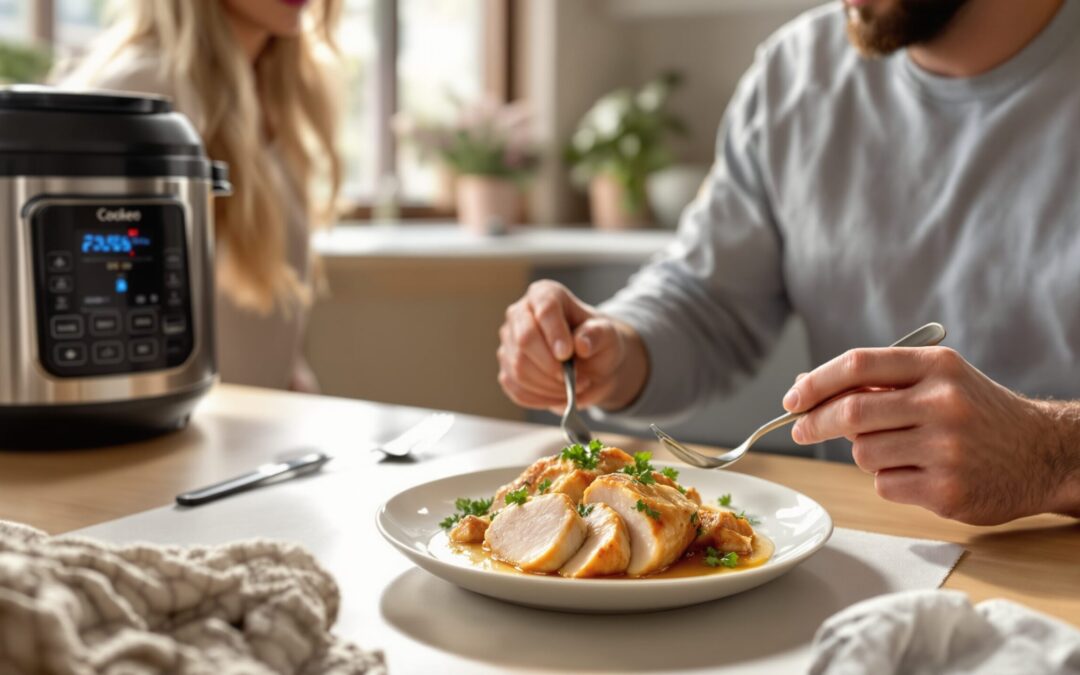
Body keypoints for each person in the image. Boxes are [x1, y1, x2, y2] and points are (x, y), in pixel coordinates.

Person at [497, 0, 1080, 526]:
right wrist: (613, 349)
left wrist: (1049, 455)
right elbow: (707, 300)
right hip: (867, 553)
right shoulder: (796, 72)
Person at [58, 0, 343, 391]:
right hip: (182, 433)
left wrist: (291, 373)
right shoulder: (144, 94)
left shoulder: (275, 91)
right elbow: (101, 322)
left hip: (252, 430)